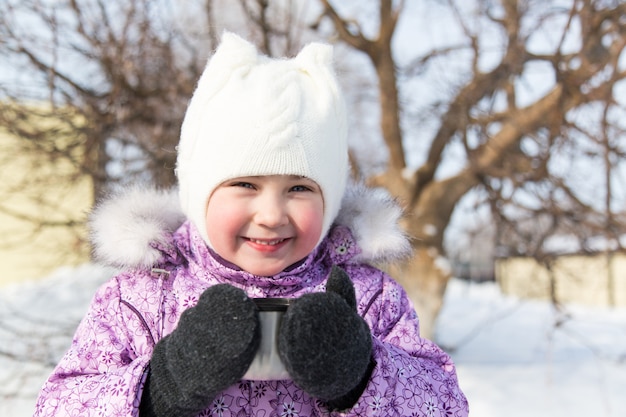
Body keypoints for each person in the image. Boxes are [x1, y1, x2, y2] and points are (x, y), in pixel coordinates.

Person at [33, 31, 469, 417]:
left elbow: (445, 405)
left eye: (299, 188)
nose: (272, 214)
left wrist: (361, 374)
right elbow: (58, 406)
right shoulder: (139, 300)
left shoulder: (370, 300)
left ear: (330, 199)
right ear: (199, 193)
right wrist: (160, 387)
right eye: (244, 183)